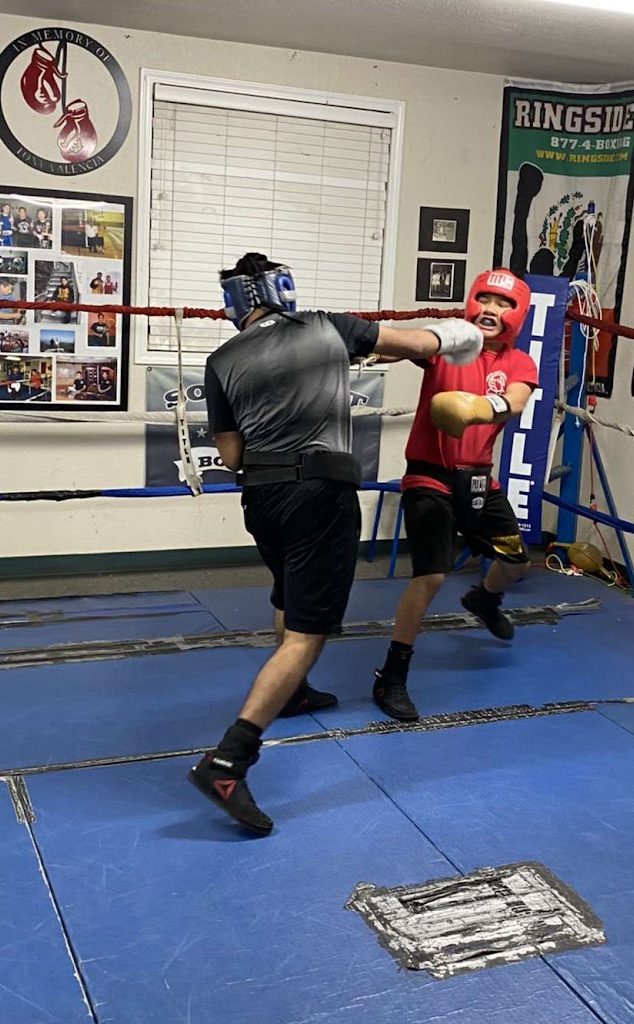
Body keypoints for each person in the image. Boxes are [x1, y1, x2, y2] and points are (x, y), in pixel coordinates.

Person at [187, 252, 484, 836]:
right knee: (307, 635)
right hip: (320, 494)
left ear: (236, 304)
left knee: (285, 594)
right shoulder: (328, 327)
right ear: (283, 289)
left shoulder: (219, 360)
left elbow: (231, 457)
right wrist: (465, 333)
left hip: (262, 500)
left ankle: (292, 696)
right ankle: (228, 761)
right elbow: (424, 344)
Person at [371, 268, 538, 722]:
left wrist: (477, 408)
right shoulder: (448, 343)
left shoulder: (519, 363)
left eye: (502, 303)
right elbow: (403, 345)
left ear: (517, 314)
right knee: (431, 576)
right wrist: (363, 343)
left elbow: (518, 401)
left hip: (480, 479)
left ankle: (485, 599)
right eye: (483, 299)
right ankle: (392, 675)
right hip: (429, 475)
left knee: (517, 563)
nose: (490, 309)